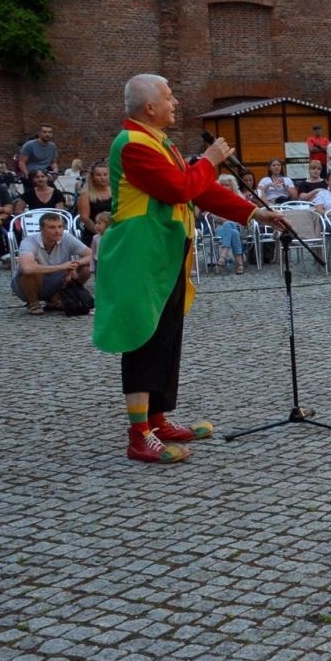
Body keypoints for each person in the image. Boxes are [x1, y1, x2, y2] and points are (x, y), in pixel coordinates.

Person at [92, 74, 291, 464]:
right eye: (169, 97)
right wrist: (209, 160)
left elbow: (199, 188)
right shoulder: (132, 143)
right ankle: (139, 435)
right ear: (150, 107)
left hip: (164, 254)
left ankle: (157, 419)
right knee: (143, 339)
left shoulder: (158, 141)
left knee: (166, 337)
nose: (176, 102)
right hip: (140, 254)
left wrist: (254, 212)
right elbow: (180, 189)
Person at [11, 211, 93, 314]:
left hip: (57, 280)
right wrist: (62, 267)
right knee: (32, 268)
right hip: (27, 285)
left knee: (85, 269)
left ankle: (58, 297)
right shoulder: (29, 241)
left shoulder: (67, 238)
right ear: (41, 229)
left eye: (60, 227)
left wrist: (75, 265)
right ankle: (33, 303)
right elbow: (26, 268)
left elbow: (91, 255)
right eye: (52, 227)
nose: (57, 231)